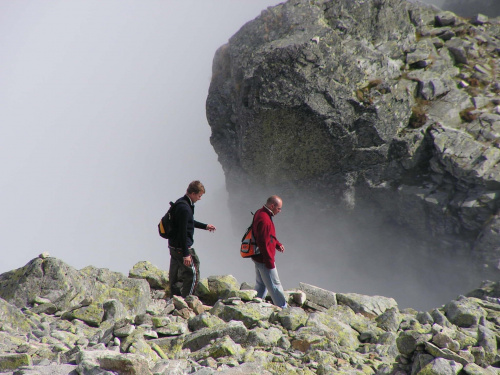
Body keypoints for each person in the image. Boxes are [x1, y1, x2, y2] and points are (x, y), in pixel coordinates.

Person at [167, 180, 216, 298]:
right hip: (181, 247)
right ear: (193, 193)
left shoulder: (181, 202)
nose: (200, 198)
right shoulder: (185, 208)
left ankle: (174, 297)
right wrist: (186, 254)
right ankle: (187, 300)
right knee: (192, 273)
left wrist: (205, 226)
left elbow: (188, 222)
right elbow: (183, 232)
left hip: (173, 245)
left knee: (176, 273)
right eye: (199, 196)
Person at [251, 195, 287, 308]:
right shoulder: (265, 219)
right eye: (279, 208)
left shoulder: (260, 213)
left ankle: (254, 306)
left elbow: (267, 236)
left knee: (261, 285)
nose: (280, 211)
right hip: (264, 259)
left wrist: (277, 244)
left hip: (258, 257)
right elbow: (263, 243)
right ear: (272, 206)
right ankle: (284, 310)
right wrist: (270, 263)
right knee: (275, 285)